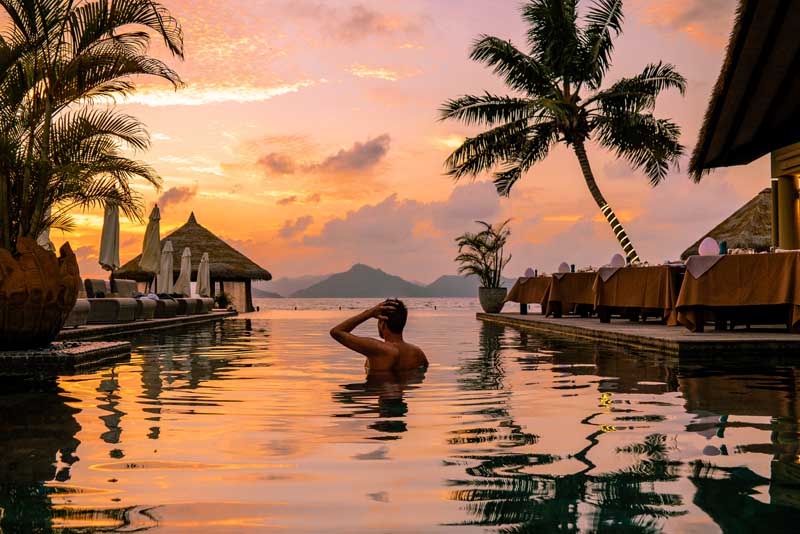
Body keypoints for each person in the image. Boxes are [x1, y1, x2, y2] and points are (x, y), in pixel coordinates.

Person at [329, 299, 428, 373]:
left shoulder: (379, 349)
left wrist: (368, 313)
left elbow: (336, 332)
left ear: (382, 322)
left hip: (380, 392)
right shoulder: (418, 353)